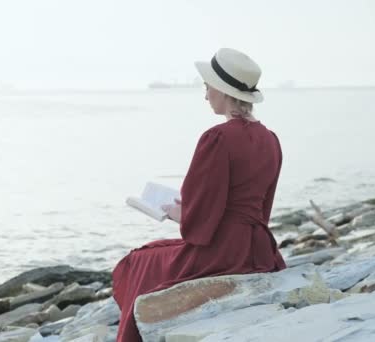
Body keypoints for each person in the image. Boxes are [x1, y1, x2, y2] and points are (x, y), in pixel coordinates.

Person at [112, 48, 287, 342]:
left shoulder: (217, 138)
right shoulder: (271, 139)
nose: (206, 96)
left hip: (223, 252)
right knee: (154, 254)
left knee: (138, 260)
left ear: (222, 90)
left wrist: (176, 212)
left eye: (207, 88)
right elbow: (262, 209)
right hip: (260, 248)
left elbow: (198, 226)